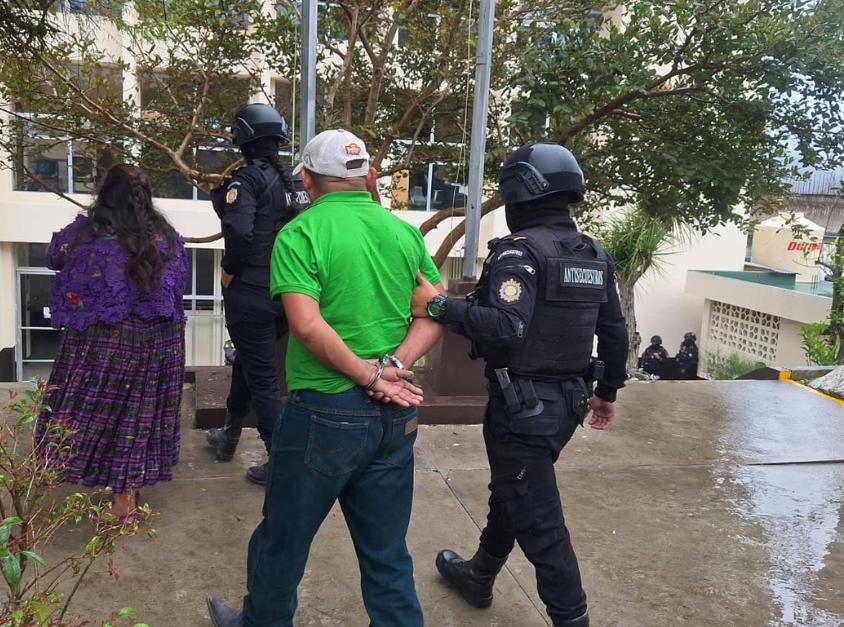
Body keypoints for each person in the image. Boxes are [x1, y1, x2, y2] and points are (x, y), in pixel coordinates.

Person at [206, 129, 444, 627]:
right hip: (395, 414)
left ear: (308, 181)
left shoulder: (301, 234)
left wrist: (370, 375)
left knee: (283, 540)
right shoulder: (404, 234)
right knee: (387, 551)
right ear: (369, 177)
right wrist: (392, 367)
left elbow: (308, 327)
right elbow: (434, 311)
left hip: (325, 415)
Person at [413, 143, 628, 627]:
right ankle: (479, 575)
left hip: (523, 411)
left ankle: (571, 617)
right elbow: (614, 332)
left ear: (520, 193)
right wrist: (607, 391)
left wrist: (441, 306)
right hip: (567, 405)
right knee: (516, 491)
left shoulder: (519, 251)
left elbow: (506, 326)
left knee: (541, 524)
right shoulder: (594, 254)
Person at [37, 164, 188, 519]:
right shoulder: (167, 236)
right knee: (137, 417)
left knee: (94, 412)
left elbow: (53, 256)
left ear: (104, 195)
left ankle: (117, 502)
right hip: (160, 341)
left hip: (108, 338)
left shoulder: (88, 235)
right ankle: (125, 498)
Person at [206, 103, 304, 485]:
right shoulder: (295, 184)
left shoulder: (245, 181)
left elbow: (239, 232)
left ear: (243, 139)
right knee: (249, 363)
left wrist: (229, 270)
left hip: (252, 294)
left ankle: (281, 463)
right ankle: (229, 435)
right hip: (287, 294)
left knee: (263, 380)